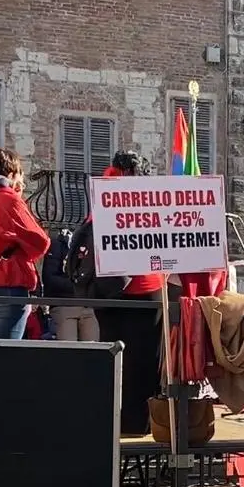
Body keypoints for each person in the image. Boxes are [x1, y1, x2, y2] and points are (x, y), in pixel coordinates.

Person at [93, 152, 162, 436]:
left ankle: (109, 421)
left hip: (108, 291)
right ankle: (140, 424)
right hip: (145, 289)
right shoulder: (145, 198)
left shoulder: (100, 197)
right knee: (145, 363)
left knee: (113, 359)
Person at [0, 149, 50, 340]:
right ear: (12, 174)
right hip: (10, 282)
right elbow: (41, 243)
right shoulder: (7, 200)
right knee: (6, 354)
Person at [43, 229, 99, 342]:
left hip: (89, 306)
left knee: (93, 350)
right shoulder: (58, 245)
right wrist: (79, 287)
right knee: (69, 349)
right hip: (65, 304)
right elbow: (50, 277)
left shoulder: (95, 244)